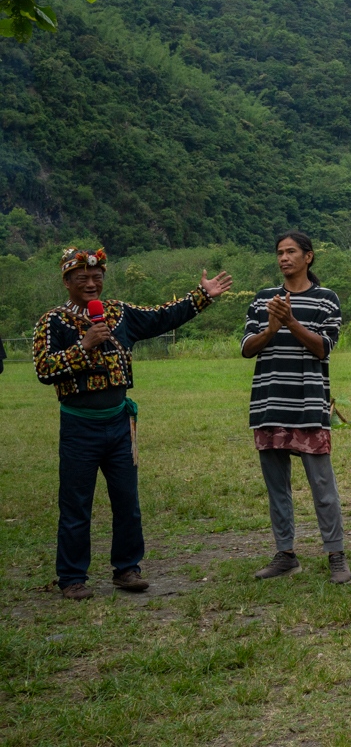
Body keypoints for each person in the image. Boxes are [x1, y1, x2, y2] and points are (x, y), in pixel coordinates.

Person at [33, 247, 233, 599]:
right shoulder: (53, 321)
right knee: (76, 504)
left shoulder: (119, 313)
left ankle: (127, 568)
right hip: (79, 427)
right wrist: (84, 346)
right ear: (66, 281)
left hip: (120, 424)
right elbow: (44, 369)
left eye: (97, 277)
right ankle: (72, 578)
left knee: (127, 500)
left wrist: (202, 296)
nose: (91, 284)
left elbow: (161, 317)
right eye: (82, 278)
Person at [241, 231, 351, 585]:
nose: (284, 258)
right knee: (277, 488)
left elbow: (323, 347)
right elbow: (246, 348)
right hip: (269, 403)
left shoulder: (326, 299)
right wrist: (271, 328)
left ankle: (336, 554)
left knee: (323, 486)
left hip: (308, 404)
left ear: (309, 256)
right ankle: (285, 554)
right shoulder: (263, 299)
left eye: (291, 252)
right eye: (279, 253)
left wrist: (289, 322)